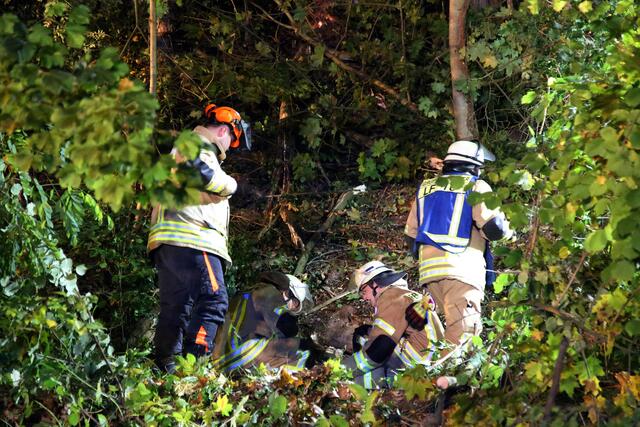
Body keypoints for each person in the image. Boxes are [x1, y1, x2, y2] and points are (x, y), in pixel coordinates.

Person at [148, 104, 252, 373]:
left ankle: (167, 370)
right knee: (214, 300)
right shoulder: (196, 146)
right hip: (193, 237)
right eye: (231, 140)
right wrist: (231, 185)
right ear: (223, 131)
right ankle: (196, 369)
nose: (229, 147)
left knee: (176, 308)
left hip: (171, 241)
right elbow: (201, 174)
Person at [404, 140, 514, 350]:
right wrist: (511, 233)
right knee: (462, 338)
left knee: (437, 338)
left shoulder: (426, 188)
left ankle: (428, 368)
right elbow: (494, 228)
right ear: (473, 166)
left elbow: (411, 236)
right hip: (462, 272)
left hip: (429, 276)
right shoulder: (476, 186)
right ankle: (448, 371)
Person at [342, 261, 444, 389]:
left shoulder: (391, 298)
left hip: (416, 369)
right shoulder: (402, 294)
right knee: (363, 332)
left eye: (363, 291)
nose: (364, 297)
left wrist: (343, 370)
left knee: (350, 384)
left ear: (375, 284)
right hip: (430, 360)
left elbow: (381, 346)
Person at [212, 272, 316, 373]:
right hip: (230, 356)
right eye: (294, 302)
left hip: (224, 354)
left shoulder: (253, 293)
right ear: (286, 292)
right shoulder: (266, 299)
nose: (292, 306)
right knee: (301, 350)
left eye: (295, 305)